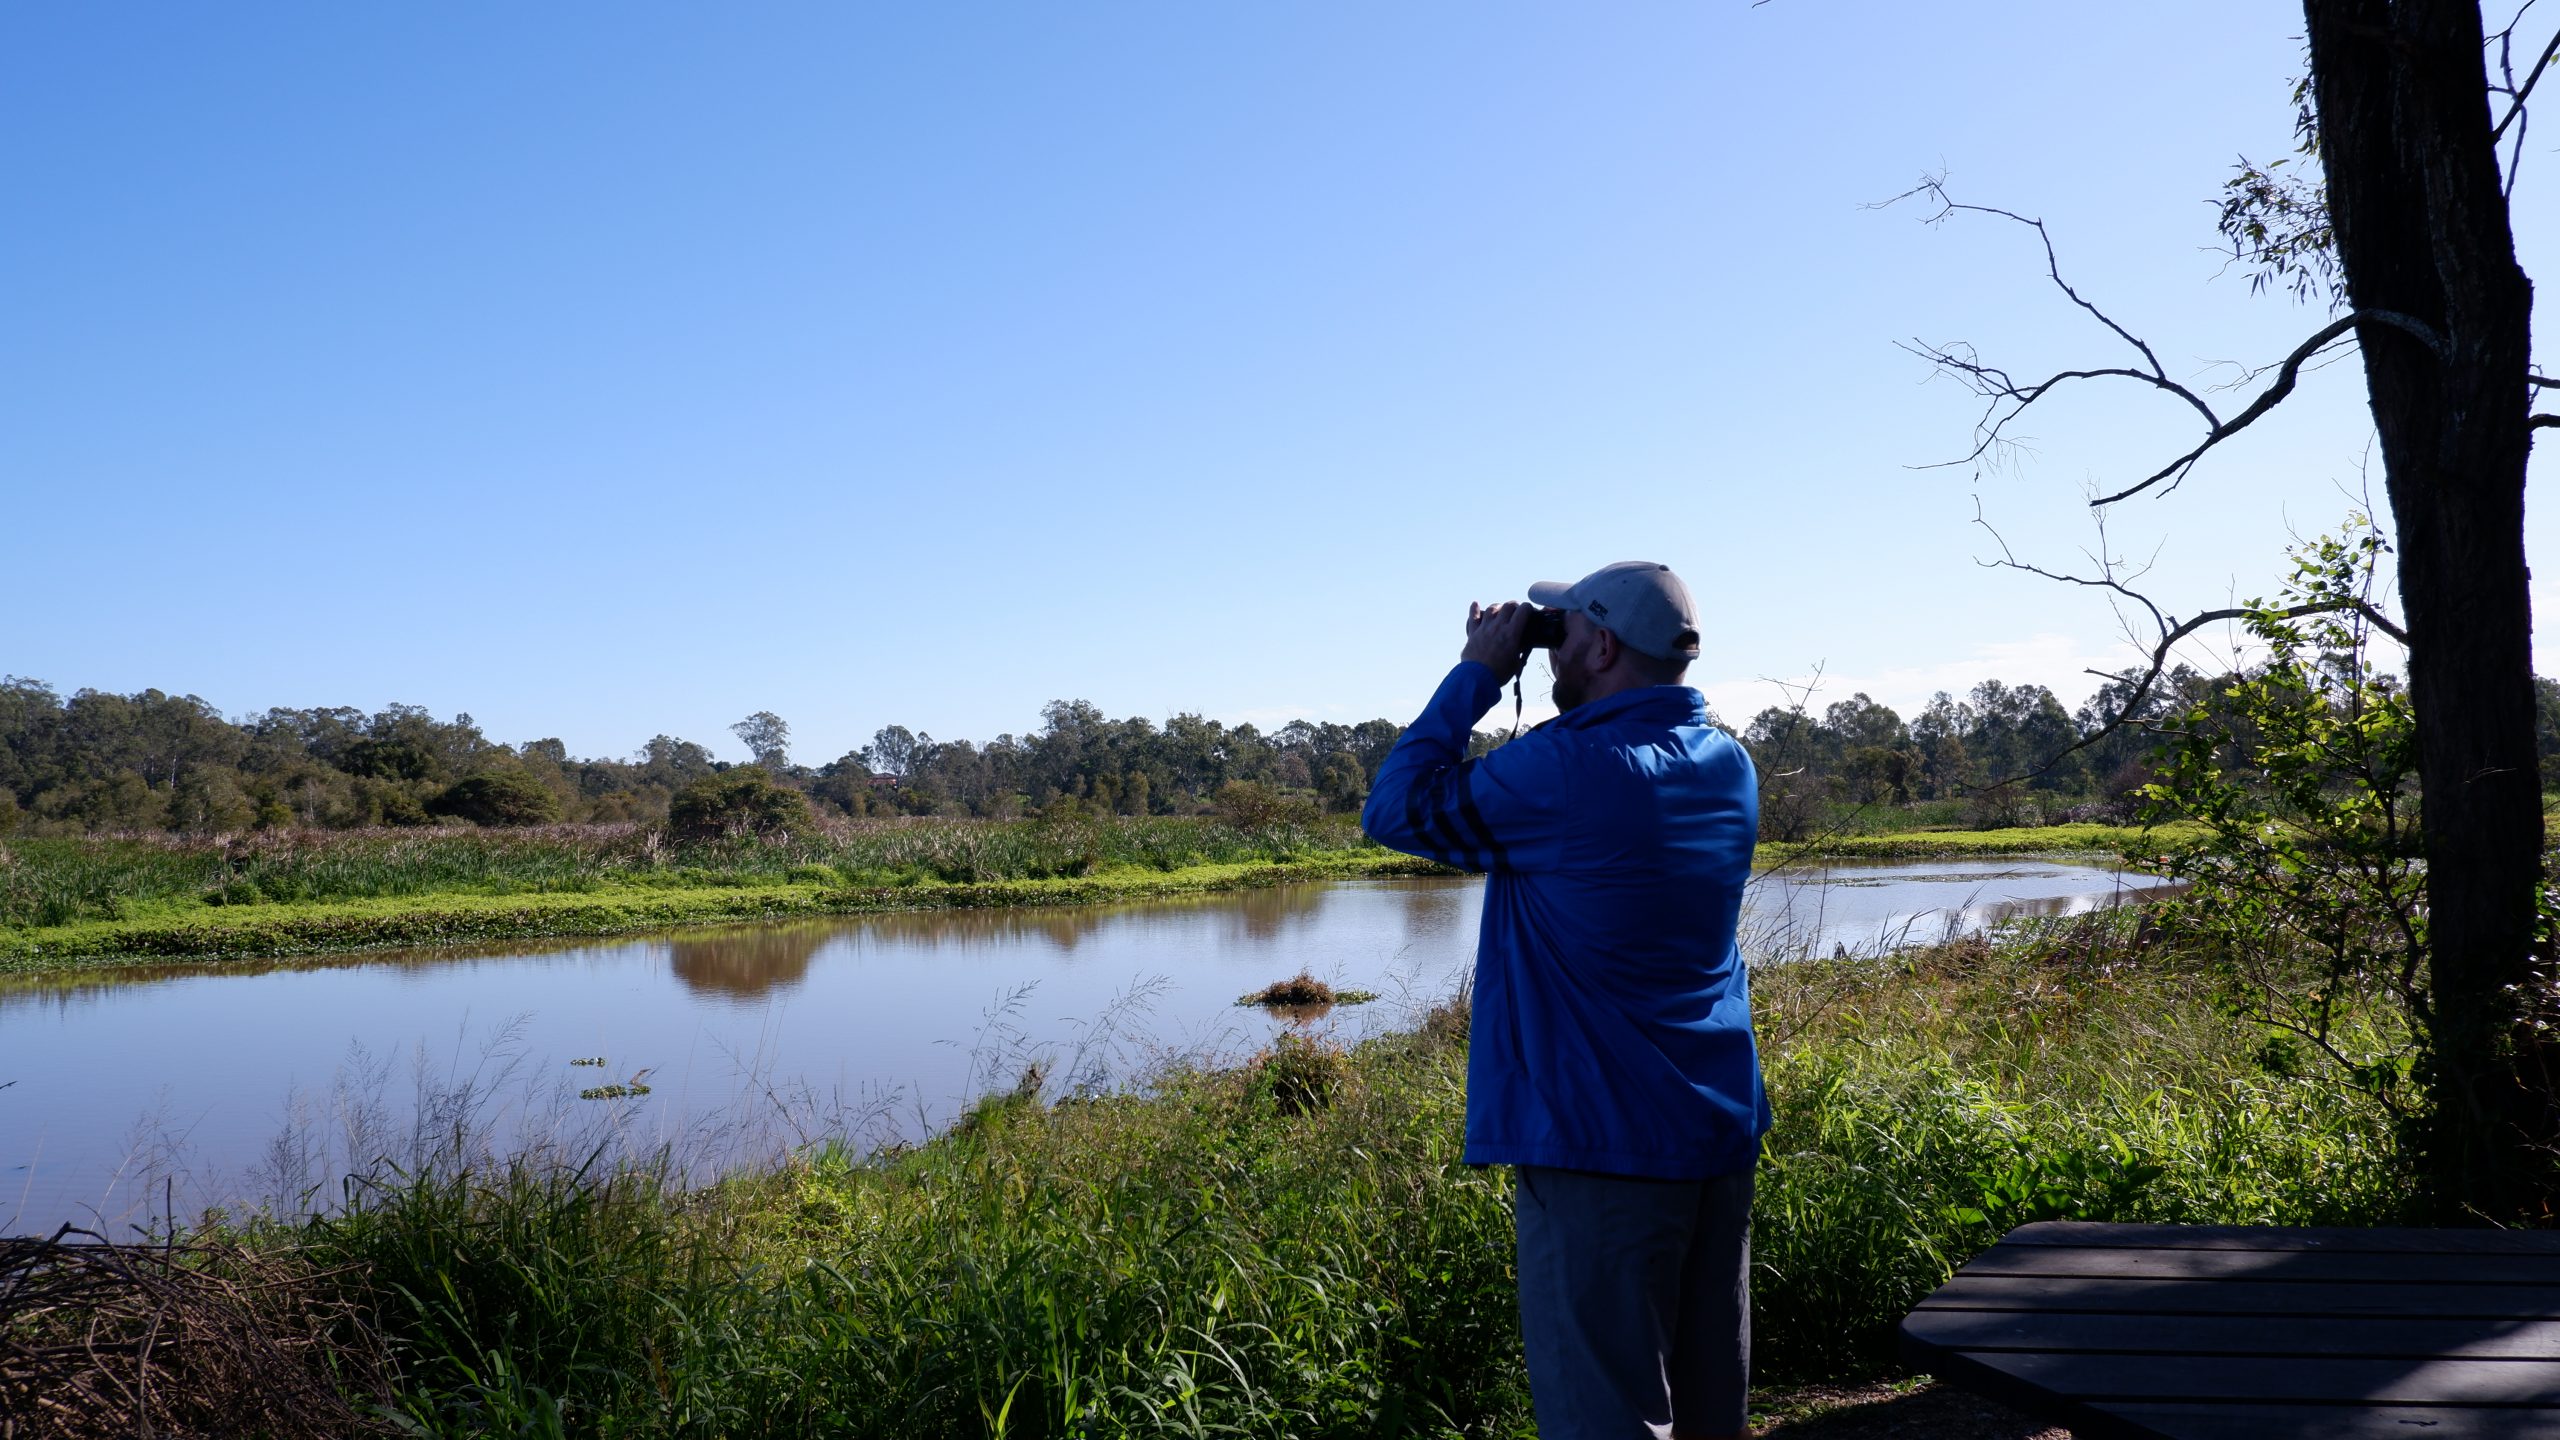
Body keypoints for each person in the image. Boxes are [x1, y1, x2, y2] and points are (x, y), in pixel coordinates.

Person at [1360, 560, 1767, 1440]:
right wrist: (1548, 650)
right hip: (1716, 1135)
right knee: (1708, 1415)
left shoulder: (1563, 769)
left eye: (1564, 630)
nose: (1552, 644)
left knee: (1606, 1418)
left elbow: (1394, 810)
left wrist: (1476, 673)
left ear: (1603, 643)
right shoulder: (1728, 765)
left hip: (1599, 1149)